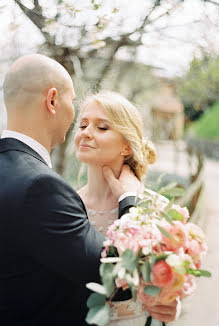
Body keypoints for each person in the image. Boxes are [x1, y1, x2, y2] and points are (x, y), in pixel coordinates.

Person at [0, 54, 144, 326]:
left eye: (102, 126)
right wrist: (129, 200)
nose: (80, 124)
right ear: (52, 100)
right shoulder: (41, 188)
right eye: (73, 102)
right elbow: (116, 275)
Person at [74, 91, 179, 326]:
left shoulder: (156, 207)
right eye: (82, 125)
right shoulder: (67, 206)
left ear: (126, 146)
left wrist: (172, 305)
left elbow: (171, 279)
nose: (86, 133)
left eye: (102, 128)